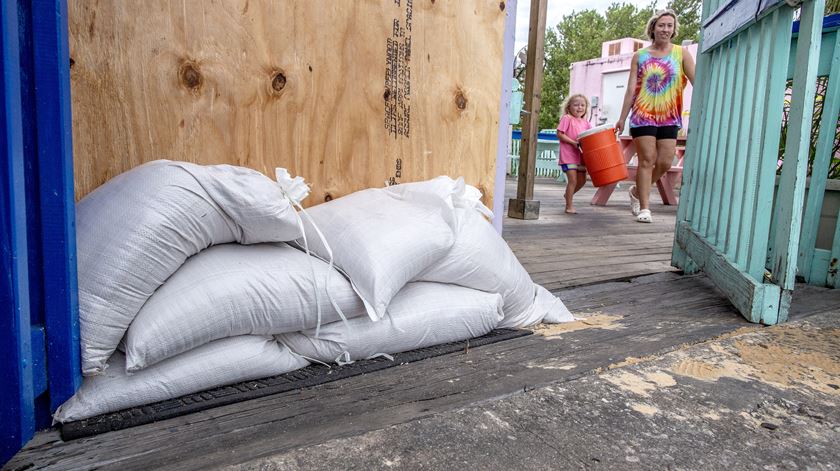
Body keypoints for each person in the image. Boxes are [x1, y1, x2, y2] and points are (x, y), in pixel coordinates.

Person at [616, 9, 695, 223]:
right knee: (647, 160)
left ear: (674, 29)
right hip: (642, 115)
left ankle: (635, 191)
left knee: (665, 162)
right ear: (653, 28)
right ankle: (644, 208)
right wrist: (622, 118)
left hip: (670, 116)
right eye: (661, 25)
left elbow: (698, 82)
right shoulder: (640, 56)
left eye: (669, 26)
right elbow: (631, 89)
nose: (665, 29)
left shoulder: (681, 53)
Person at [556, 94, 593, 214]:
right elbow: (560, 134)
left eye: (582, 105)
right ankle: (569, 206)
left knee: (581, 181)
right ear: (569, 107)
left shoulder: (586, 123)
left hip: (581, 157)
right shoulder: (567, 118)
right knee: (573, 180)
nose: (579, 107)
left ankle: (568, 194)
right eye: (576, 105)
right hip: (568, 156)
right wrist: (573, 143)